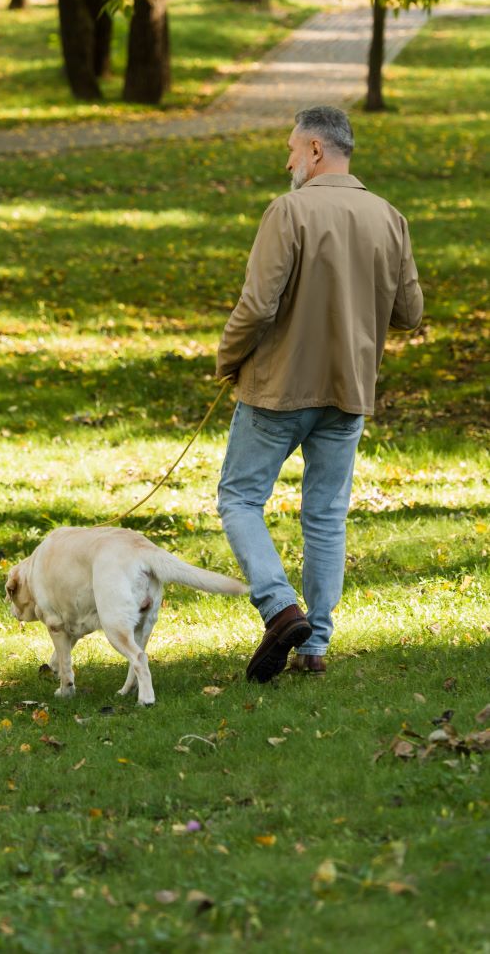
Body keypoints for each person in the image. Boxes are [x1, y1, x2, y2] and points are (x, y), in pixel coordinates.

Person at [215, 106, 423, 682]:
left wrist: (227, 358)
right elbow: (411, 313)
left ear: (314, 151)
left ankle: (280, 607)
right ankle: (315, 646)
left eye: (290, 148)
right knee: (326, 515)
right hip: (348, 389)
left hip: (278, 387)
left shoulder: (288, 212)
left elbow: (257, 305)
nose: (286, 160)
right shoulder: (390, 217)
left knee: (238, 498)